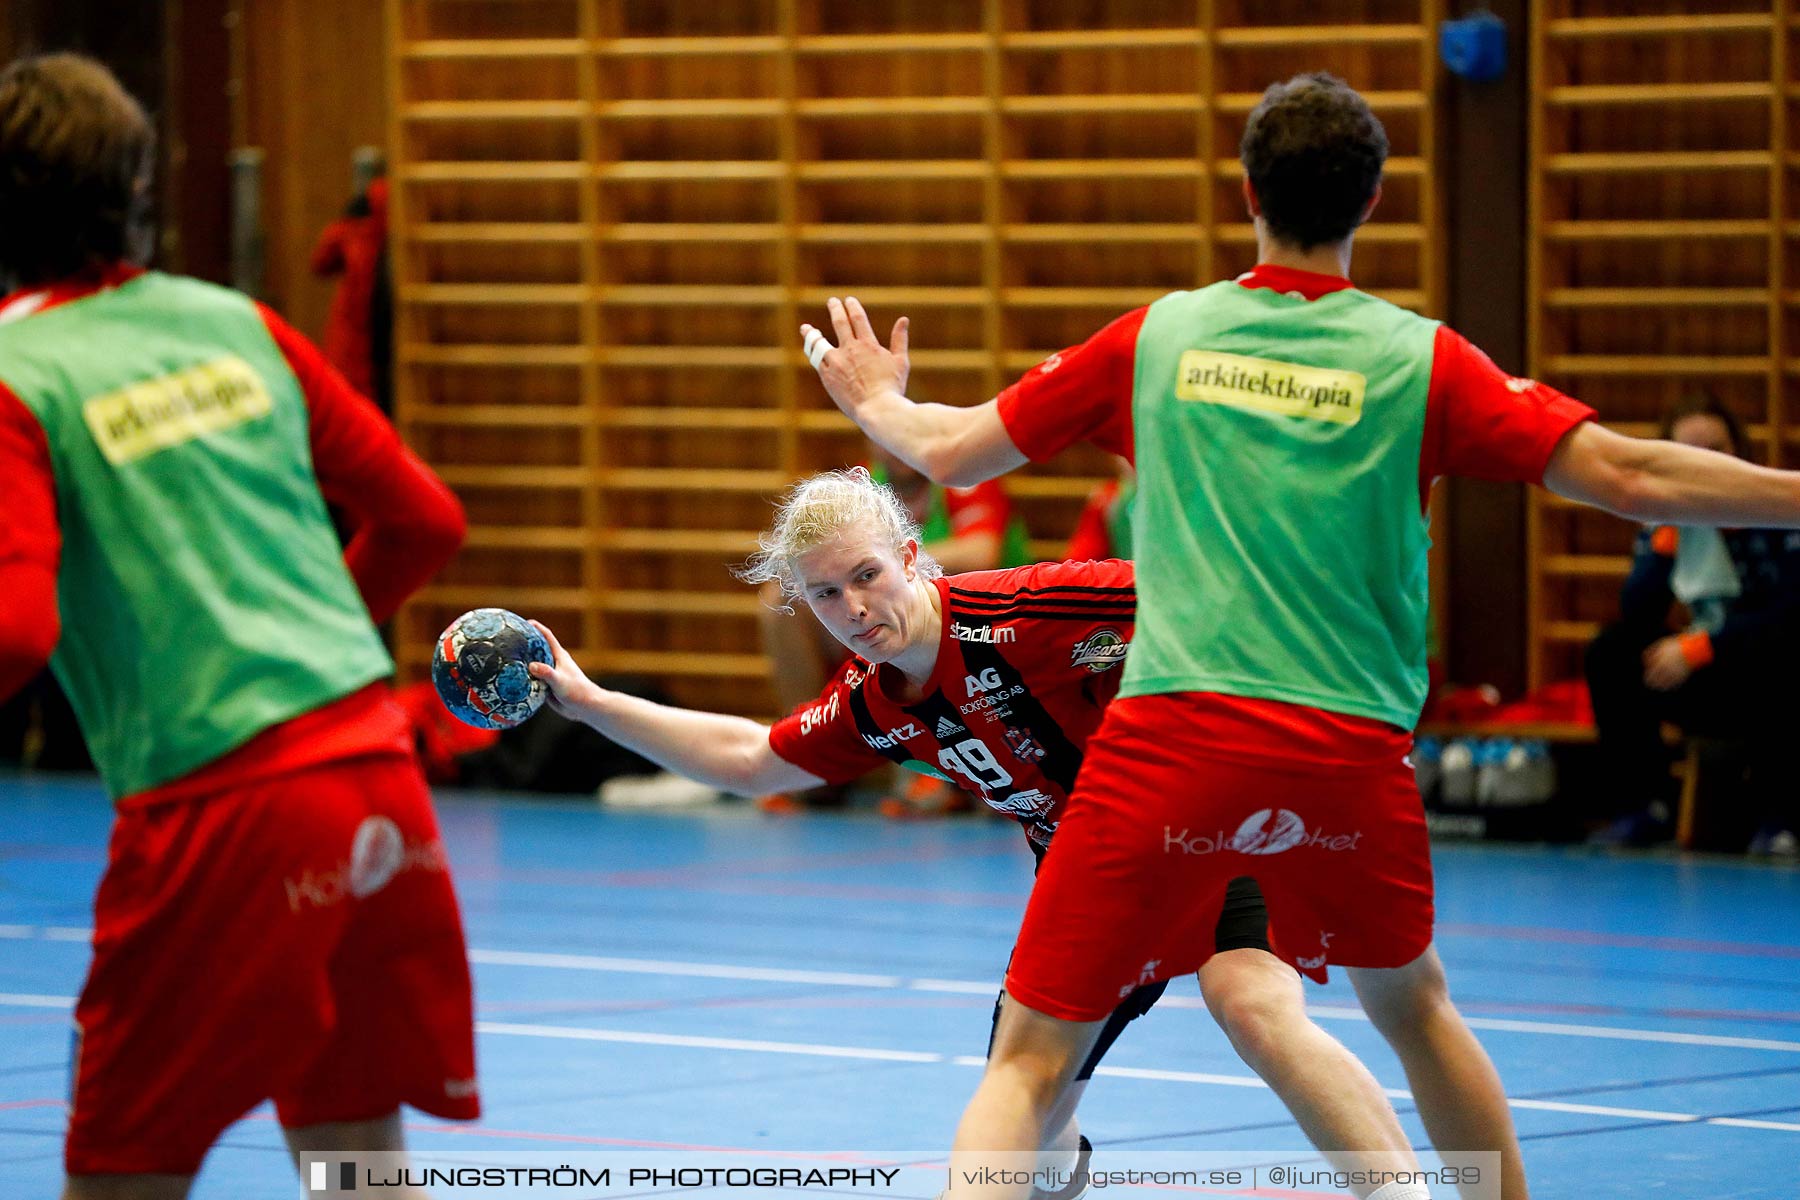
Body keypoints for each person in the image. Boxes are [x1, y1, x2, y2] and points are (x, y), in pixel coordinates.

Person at [800, 72, 1800, 1200]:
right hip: (1345, 752)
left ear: (1246, 195)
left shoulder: (1163, 337)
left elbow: (953, 449)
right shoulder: (1421, 359)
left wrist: (878, 401)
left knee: (1030, 1058)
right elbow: (1626, 472)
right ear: (1372, 203)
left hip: (1167, 742)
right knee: (1416, 1012)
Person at [527, 467, 1426, 1199]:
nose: (852, 609)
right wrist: (594, 704)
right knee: (1030, 1132)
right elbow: (754, 760)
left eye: (867, 576)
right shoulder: (873, 705)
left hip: (1208, 826)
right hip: (1089, 885)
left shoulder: (1030, 610)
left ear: (912, 556)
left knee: (1253, 1004)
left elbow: (1215, 606)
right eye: (826, 595)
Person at [0, 54, 477, 1199]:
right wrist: (306, 660)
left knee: (123, 1169)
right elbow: (425, 520)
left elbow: (18, 632)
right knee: (355, 1156)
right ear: (136, 187)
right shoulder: (236, 323)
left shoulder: (17, 374)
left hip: (226, 810)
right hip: (375, 770)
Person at [756, 439, 1026, 813]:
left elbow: (979, 553)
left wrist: (884, 566)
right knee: (780, 603)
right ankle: (813, 744)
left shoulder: (962, 476)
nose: (896, 449)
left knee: (918, 608)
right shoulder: (861, 485)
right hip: (891, 620)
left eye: (900, 435)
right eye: (881, 437)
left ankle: (939, 762)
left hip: (980, 630)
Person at [1585, 394, 1800, 851]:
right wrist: (1668, 532)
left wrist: (1702, 647)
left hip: (1767, 674)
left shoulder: (1779, 511)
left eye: (1716, 450)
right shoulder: (1667, 521)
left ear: (1739, 453)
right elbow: (1638, 612)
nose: (1704, 464)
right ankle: (1644, 809)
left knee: (1787, 651)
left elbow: (1791, 611)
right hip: (1703, 680)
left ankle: (1779, 820)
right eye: (1688, 454)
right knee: (1613, 650)